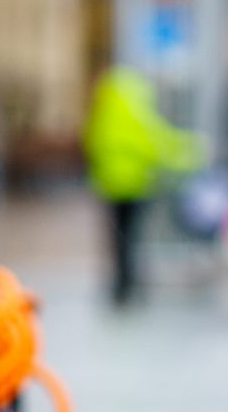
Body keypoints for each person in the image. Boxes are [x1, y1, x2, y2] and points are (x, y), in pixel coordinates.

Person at [82, 66, 203, 306]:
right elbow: (155, 143)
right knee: (132, 237)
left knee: (119, 238)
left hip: (110, 185)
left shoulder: (105, 113)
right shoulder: (136, 112)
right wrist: (191, 151)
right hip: (136, 185)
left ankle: (121, 282)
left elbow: (91, 143)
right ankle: (129, 282)